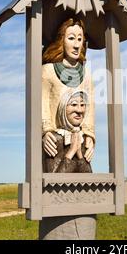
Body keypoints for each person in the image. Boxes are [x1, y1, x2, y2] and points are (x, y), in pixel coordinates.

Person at [42, 18, 95, 165]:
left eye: (80, 39)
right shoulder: (48, 71)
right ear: (61, 40)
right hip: (56, 141)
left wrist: (90, 135)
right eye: (71, 38)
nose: (77, 45)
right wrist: (46, 132)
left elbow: (90, 107)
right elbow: (42, 104)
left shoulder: (87, 74)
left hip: (80, 139)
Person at [43, 90, 92, 173]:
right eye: (74, 104)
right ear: (63, 108)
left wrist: (80, 154)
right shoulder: (54, 139)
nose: (79, 110)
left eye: (82, 105)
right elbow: (54, 180)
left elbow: (89, 177)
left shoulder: (84, 139)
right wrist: (71, 152)